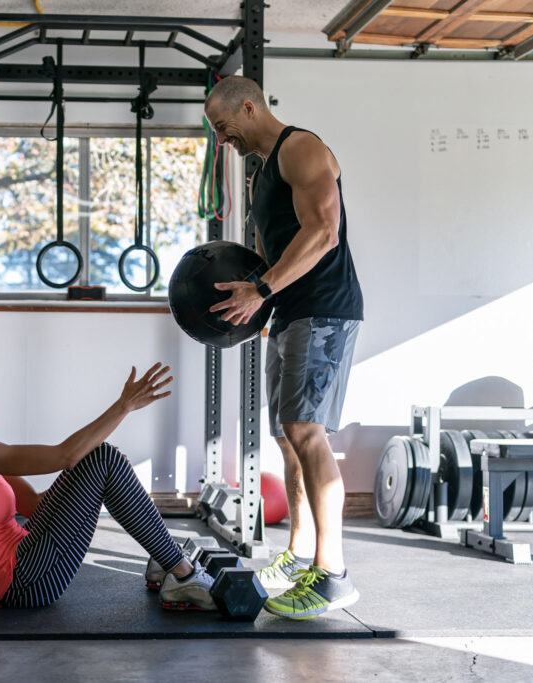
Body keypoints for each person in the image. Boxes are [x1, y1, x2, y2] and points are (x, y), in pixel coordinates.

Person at [203, 75, 364, 619]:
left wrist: (264, 289)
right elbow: (271, 248)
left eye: (225, 128)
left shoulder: (301, 148)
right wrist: (258, 306)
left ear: (249, 108)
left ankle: (333, 574)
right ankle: (298, 556)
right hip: (291, 312)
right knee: (288, 438)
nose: (224, 141)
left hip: (324, 307)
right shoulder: (262, 173)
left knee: (306, 432)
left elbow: (324, 231)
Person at [0, 362, 217, 611]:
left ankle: (167, 565)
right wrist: (123, 406)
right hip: (22, 582)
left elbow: (33, 504)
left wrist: (92, 475)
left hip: (28, 560)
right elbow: (65, 456)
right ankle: (183, 574)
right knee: (100, 457)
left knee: (100, 459)